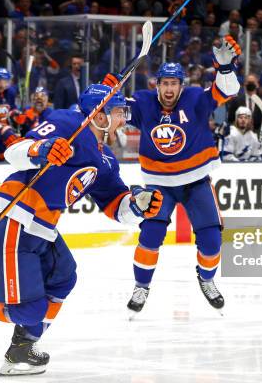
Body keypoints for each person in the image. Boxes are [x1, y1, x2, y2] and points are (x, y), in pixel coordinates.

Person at [0, 84, 163, 376]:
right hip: (13, 217)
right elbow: (14, 152)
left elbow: (115, 204)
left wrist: (137, 207)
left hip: (42, 228)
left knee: (63, 277)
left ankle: (22, 348)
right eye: (119, 112)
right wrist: (41, 149)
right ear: (99, 115)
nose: (124, 119)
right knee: (29, 310)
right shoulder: (67, 123)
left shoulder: (106, 159)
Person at [104, 36, 241, 316]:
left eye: (173, 83)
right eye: (164, 83)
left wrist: (225, 69)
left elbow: (228, 91)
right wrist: (106, 90)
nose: (168, 89)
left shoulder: (196, 99)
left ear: (181, 85)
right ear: (157, 85)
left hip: (196, 182)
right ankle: (141, 286)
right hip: (159, 185)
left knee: (212, 240)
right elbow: (111, 108)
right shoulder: (143, 103)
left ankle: (207, 279)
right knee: (151, 236)